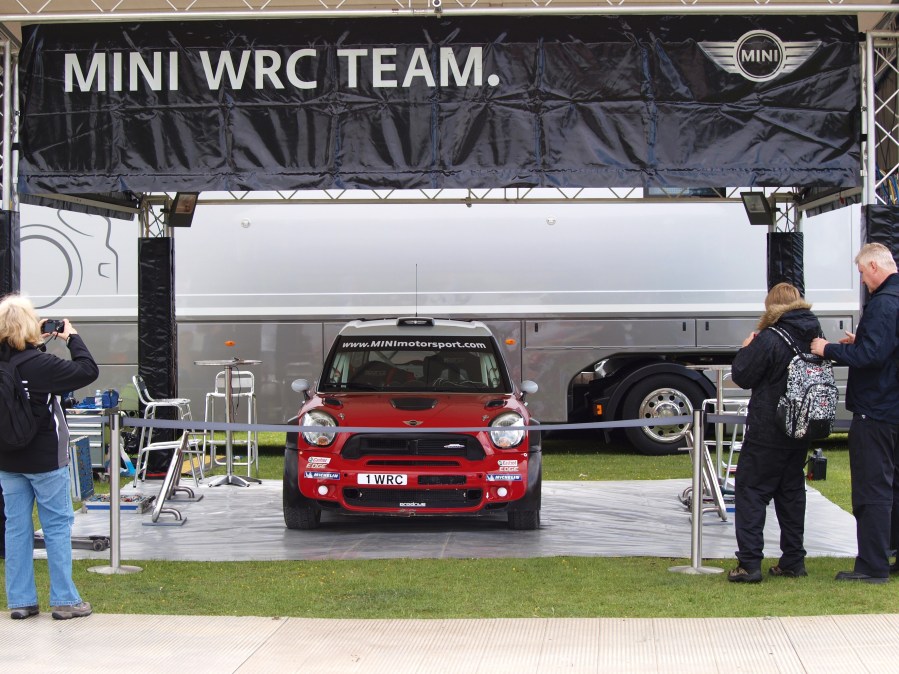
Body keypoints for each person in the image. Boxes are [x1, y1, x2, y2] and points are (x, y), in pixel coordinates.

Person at [0, 294, 99, 619]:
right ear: (29, 325)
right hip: (45, 459)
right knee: (56, 526)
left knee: (16, 529)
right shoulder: (42, 365)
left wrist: (34, 343)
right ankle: (64, 600)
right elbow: (88, 370)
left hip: (7, 459)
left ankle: (20, 601)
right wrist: (71, 337)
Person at [811, 242, 899, 584]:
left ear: (875, 266)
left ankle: (872, 566)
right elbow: (883, 349)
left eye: (862, 273)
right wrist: (859, 342)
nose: (862, 280)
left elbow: (871, 357)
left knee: (872, 489)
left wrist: (829, 348)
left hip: (876, 409)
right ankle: (890, 553)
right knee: (894, 487)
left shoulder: (884, 303)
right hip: (893, 407)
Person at [727, 282, 824, 583]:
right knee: (791, 492)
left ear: (772, 306)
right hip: (801, 426)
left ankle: (749, 564)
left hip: (768, 427)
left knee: (751, 491)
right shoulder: (815, 335)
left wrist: (746, 348)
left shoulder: (770, 337)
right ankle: (793, 560)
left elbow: (742, 375)